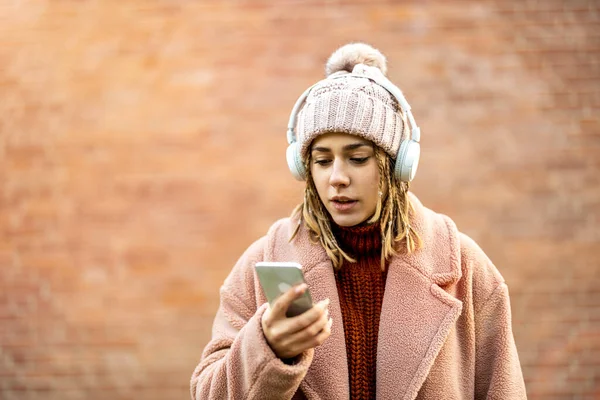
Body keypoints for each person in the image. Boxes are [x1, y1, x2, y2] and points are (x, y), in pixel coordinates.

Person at [190, 43, 527, 400]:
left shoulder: (465, 267)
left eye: (358, 158)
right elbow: (207, 393)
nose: (337, 177)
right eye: (322, 161)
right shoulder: (261, 265)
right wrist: (266, 349)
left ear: (396, 164)